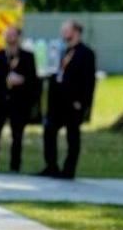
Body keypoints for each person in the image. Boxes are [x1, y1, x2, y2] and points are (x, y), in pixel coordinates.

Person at [40, 20, 96, 180]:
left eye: (66, 30)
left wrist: (82, 101)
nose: (63, 33)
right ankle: (51, 166)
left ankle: (69, 170)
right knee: (49, 132)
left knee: (72, 136)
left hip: (73, 102)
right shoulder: (62, 51)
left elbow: (88, 80)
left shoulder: (86, 53)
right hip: (57, 102)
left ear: (76, 32)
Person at [0, 26, 39, 173]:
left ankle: (15, 165)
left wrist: (22, 80)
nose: (10, 37)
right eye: (7, 35)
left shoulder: (28, 57)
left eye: (13, 35)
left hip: (19, 102)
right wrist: (6, 80)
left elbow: (33, 80)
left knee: (17, 136)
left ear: (19, 37)